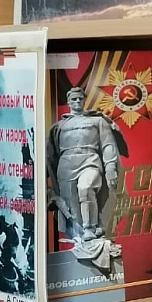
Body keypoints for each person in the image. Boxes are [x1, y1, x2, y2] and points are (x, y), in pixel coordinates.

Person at [47, 87, 125, 241]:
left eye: (80, 99)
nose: (77, 101)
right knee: (72, 205)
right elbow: (50, 154)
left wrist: (110, 168)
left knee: (86, 187)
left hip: (90, 160)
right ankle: (81, 234)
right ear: (68, 102)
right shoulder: (59, 126)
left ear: (84, 100)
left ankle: (90, 227)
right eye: (74, 99)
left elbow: (108, 145)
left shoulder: (98, 121)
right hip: (66, 166)